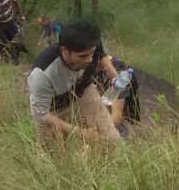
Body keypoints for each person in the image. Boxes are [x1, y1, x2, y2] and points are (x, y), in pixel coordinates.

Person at [26, 18, 121, 146]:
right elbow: (42, 114)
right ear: (65, 51)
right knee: (52, 153)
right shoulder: (42, 74)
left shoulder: (89, 43)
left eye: (91, 54)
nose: (89, 60)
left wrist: (113, 75)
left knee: (111, 140)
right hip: (52, 107)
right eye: (82, 56)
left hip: (83, 90)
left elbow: (100, 53)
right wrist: (80, 132)